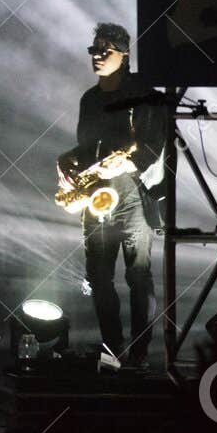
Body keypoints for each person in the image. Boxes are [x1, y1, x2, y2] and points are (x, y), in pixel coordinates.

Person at [62, 21, 167, 371]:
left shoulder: (143, 94)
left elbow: (153, 143)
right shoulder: (89, 100)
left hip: (133, 192)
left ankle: (139, 353)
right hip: (97, 193)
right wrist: (68, 162)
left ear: (124, 54)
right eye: (93, 49)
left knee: (138, 275)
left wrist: (126, 163)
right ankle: (114, 349)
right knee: (98, 276)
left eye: (104, 50)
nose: (96, 55)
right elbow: (85, 148)